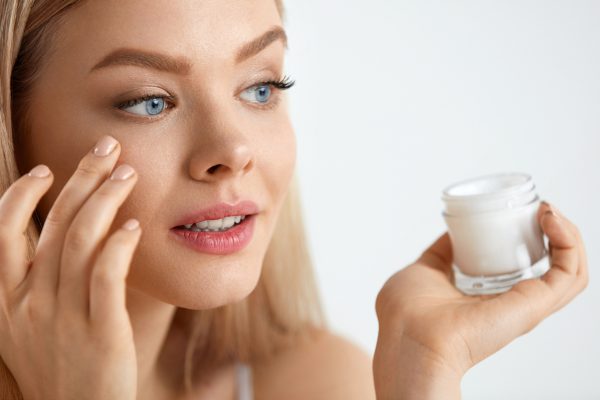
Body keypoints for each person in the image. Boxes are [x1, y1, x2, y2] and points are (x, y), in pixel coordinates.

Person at [0, 1, 588, 399]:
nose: (233, 149)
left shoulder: (314, 380)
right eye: (149, 101)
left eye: (260, 88)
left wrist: (423, 376)